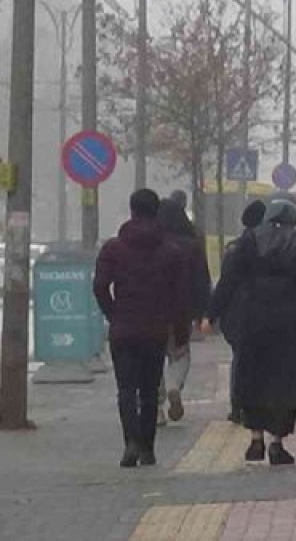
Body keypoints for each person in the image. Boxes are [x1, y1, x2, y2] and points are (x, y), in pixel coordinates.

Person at [230, 199, 296, 465]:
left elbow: (230, 277)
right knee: (286, 380)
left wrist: (211, 312)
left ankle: (255, 438)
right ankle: (277, 443)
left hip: (253, 319)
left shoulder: (250, 240)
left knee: (253, 375)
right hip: (290, 323)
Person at [94, 189, 188, 468]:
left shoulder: (113, 248)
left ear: (132, 210)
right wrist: (180, 334)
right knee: (149, 391)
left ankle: (130, 442)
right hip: (155, 330)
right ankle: (147, 448)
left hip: (123, 329)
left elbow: (99, 286)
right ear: (156, 211)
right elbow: (179, 297)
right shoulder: (171, 251)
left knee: (125, 389)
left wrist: (114, 314)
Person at [209, 200, 266, 424]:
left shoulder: (234, 248)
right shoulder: (268, 247)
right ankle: (256, 405)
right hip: (261, 313)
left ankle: (237, 405)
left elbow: (226, 284)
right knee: (259, 361)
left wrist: (211, 313)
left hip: (235, 315)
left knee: (240, 360)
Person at [156, 198, 211, 425]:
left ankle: (156, 410)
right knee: (180, 354)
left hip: (151, 311)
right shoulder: (191, 245)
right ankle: (173, 386)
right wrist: (203, 314)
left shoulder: (153, 243)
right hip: (181, 311)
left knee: (153, 359)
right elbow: (202, 281)